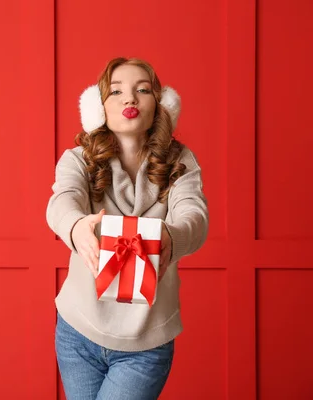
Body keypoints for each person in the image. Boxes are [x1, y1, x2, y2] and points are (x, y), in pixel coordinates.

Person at [46, 57, 209, 400]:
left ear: (161, 105)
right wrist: (75, 228)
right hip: (77, 332)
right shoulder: (77, 159)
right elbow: (62, 202)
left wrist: (172, 235)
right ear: (99, 107)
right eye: (116, 91)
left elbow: (194, 216)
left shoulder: (181, 161)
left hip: (146, 341)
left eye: (143, 90)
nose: (129, 99)